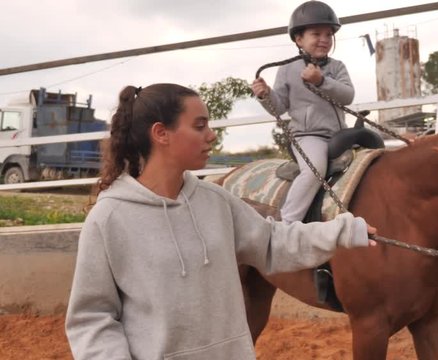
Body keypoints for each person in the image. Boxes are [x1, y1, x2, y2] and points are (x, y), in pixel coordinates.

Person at [65, 83, 375, 359]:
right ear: (161, 134)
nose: (211, 135)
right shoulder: (109, 219)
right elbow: (92, 317)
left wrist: (344, 230)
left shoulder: (216, 201)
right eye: (199, 126)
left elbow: (273, 243)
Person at [252, 1, 354, 224]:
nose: (324, 39)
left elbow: (347, 96)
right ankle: (285, 226)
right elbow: (279, 107)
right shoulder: (288, 69)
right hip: (309, 136)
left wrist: (322, 81)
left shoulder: (337, 67)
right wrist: (265, 95)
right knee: (313, 169)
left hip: (340, 135)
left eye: (329, 34)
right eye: (316, 34)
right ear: (299, 39)